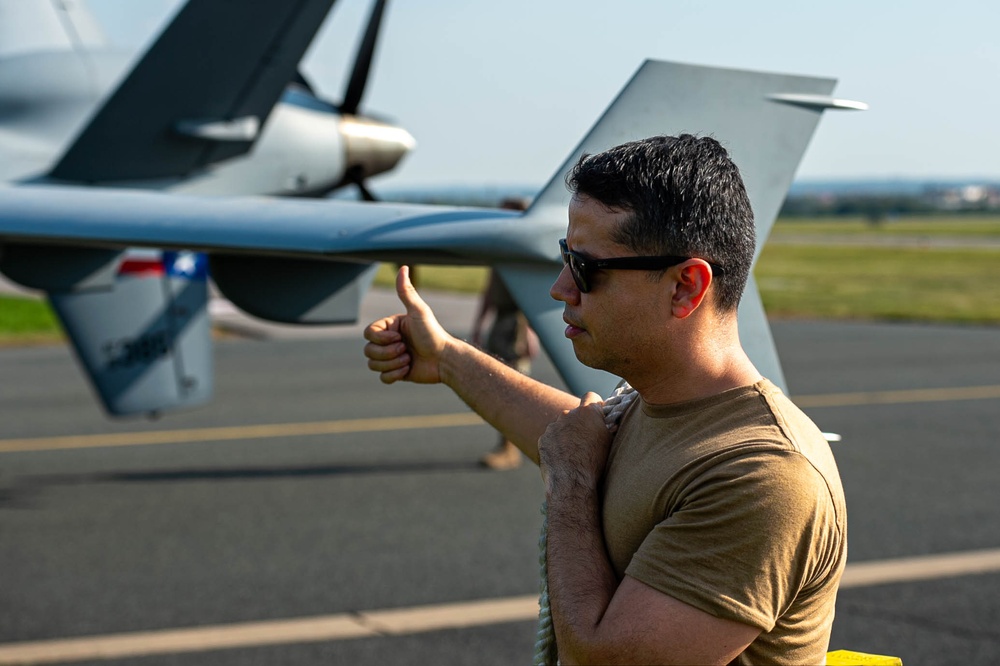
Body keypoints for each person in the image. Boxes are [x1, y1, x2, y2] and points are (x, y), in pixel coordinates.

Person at [363, 135, 846, 665]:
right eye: (565, 257)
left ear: (686, 286)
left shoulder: (766, 475)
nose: (560, 288)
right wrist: (449, 360)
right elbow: (586, 438)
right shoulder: (663, 407)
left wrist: (570, 481)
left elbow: (601, 657)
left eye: (588, 269)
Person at [471, 197, 537, 470]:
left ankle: (511, 449)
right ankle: (507, 445)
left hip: (516, 324)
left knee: (513, 388)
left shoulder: (522, 252)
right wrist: (478, 324)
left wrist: (530, 331)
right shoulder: (501, 250)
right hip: (500, 321)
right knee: (496, 384)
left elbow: (533, 294)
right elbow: (489, 290)